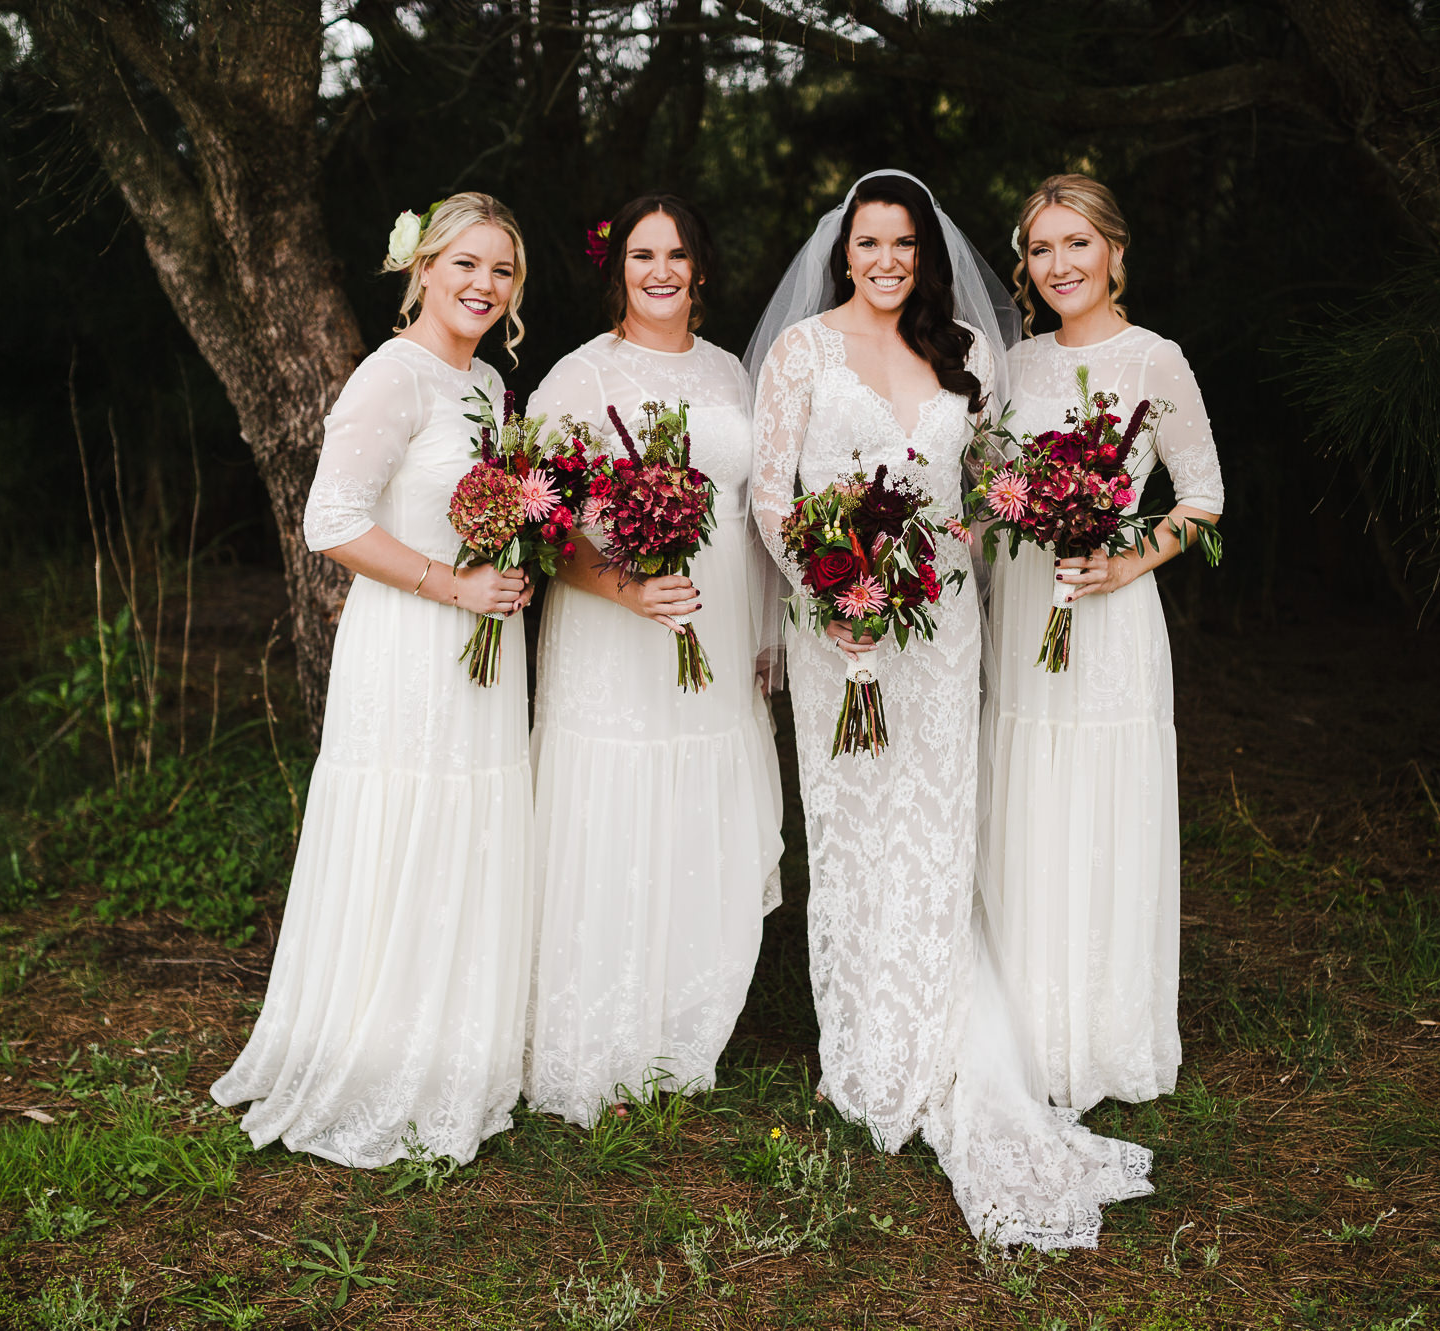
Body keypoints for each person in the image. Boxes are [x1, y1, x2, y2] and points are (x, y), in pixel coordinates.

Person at [748, 169, 1151, 1249]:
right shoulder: (801, 353)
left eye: (903, 244)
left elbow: (986, 482)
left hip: (937, 626)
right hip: (839, 628)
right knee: (849, 825)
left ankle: (937, 1038)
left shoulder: (967, 351)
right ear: (842, 252)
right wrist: (826, 592)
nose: (884, 261)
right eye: (866, 243)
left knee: (931, 823)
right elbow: (771, 494)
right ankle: (866, 1055)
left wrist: (960, 543)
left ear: (925, 253)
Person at [211, 193, 537, 1167]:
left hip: (482, 644)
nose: (483, 285)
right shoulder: (389, 377)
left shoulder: (484, 383)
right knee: (407, 828)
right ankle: (374, 1060)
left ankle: (449, 1059)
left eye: (503, 271)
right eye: (466, 264)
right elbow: (332, 522)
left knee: (465, 833)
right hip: (409, 641)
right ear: (423, 269)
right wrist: (453, 582)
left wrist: (507, 565)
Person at [523, 195, 784, 1126]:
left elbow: (759, 511)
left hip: (715, 632)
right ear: (618, 269)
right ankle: (599, 1033)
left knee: (696, 808)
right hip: (611, 636)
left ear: (701, 268)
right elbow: (538, 526)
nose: (661, 270)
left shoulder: (733, 378)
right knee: (615, 806)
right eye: (643, 255)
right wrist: (626, 589)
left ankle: (683, 1025)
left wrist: (767, 627)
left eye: (677, 253)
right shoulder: (575, 379)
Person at [978, 173, 1225, 1115]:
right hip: (1026, 614)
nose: (1059, 265)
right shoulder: (1015, 365)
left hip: (1112, 622)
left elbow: (1202, 497)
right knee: (1029, 800)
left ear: (1116, 251)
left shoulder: (1155, 359)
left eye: (1076, 244)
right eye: (1041, 250)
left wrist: (1126, 563)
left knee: (1101, 806)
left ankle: (1105, 1031)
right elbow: (988, 490)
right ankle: (1029, 1025)